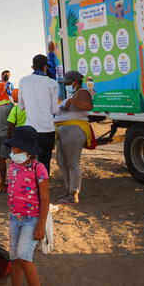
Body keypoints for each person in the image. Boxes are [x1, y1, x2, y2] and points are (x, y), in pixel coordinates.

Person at [4, 126, 49, 286]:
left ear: (29, 150)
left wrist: (41, 226)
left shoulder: (39, 168)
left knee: (23, 255)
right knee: (14, 257)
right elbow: (10, 187)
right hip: (14, 218)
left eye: (18, 147)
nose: (14, 150)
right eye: (13, 147)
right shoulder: (12, 166)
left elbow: (45, 198)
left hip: (32, 220)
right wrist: (0, 186)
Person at [54, 71, 94, 204]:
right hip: (64, 131)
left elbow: (88, 106)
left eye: (67, 83)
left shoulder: (82, 92)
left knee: (72, 162)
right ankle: (68, 190)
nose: (65, 85)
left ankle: (73, 193)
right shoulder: (74, 94)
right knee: (61, 161)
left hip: (73, 130)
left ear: (75, 83)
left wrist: (71, 100)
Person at [18, 54, 59, 174]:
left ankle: (31, 189)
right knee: (44, 162)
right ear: (45, 67)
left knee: (29, 162)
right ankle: (43, 189)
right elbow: (54, 110)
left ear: (33, 66)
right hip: (47, 130)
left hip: (30, 129)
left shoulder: (23, 81)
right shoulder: (52, 83)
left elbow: (21, 106)